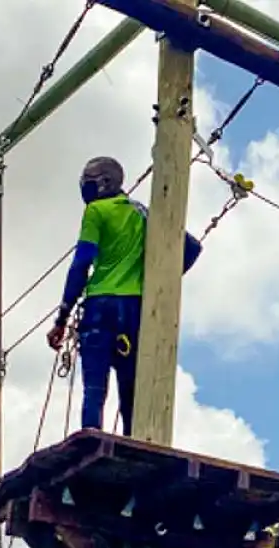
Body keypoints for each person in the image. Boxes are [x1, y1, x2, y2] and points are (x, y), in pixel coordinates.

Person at [45, 156, 204, 436]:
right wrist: (160, 280)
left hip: (100, 306)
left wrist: (62, 317)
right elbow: (191, 248)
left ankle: (92, 433)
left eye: (89, 180)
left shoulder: (97, 211)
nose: (85, 186)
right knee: (130, 387)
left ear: (105, 182)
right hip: (135, 310)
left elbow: (81, 263)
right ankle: (132, 439)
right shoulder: (143, 213)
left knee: (95, 385)